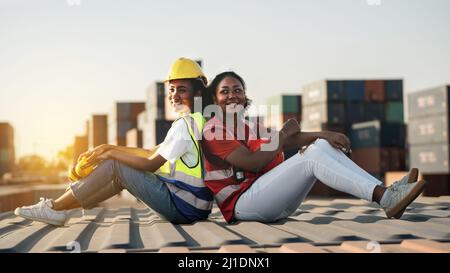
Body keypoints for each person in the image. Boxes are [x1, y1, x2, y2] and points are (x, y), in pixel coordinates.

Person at [201, 71, 427, 223]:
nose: (232, 95)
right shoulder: (214, 129)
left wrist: (325, 134)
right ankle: (386, 198)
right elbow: (255, 161)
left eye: (238, 90)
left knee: (319, 146)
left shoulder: (249, 126)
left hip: (270, 199)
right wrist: (282, 133)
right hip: (242, 205)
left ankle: (387, 191)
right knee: (311, 157)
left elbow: (286, 141)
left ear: (245, 96)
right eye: (225, 91)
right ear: (214, 97)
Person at [15, 58, 214, 226]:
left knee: (116, 165)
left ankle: (53, 207)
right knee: (120, 174)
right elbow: (149, 152)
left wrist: (110, 155)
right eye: (171, 89)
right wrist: (108, 147)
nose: (174, 95)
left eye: (182, 90)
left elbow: (151, 163)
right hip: (195, 206)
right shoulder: (198, 120)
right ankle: (60, 209)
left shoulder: (184, 125)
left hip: (183, 208)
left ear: (197, 92)